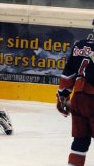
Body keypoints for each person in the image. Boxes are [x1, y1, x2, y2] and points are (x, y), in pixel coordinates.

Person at [56, 27, 94, 166]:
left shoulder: (80, 45)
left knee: (80, 140)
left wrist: (63, 97)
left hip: (78, 99)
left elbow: (68, 73)